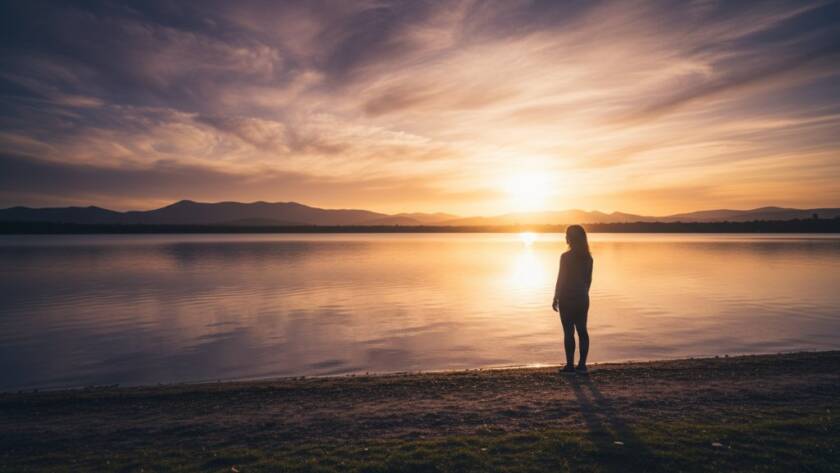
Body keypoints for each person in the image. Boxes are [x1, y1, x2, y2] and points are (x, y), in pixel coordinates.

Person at [552, 225, 593, 374]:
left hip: (567, 298)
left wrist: (556, 296)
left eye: (566, 235)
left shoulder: (565, 257)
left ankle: (570, 366)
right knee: (582, 330)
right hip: (582, 298)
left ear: (571, 238)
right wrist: (582, 294)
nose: (565, 238)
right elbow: (588, 280)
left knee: (568, 332)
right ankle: (582, 366)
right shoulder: (588, 258)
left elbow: (561, 279)